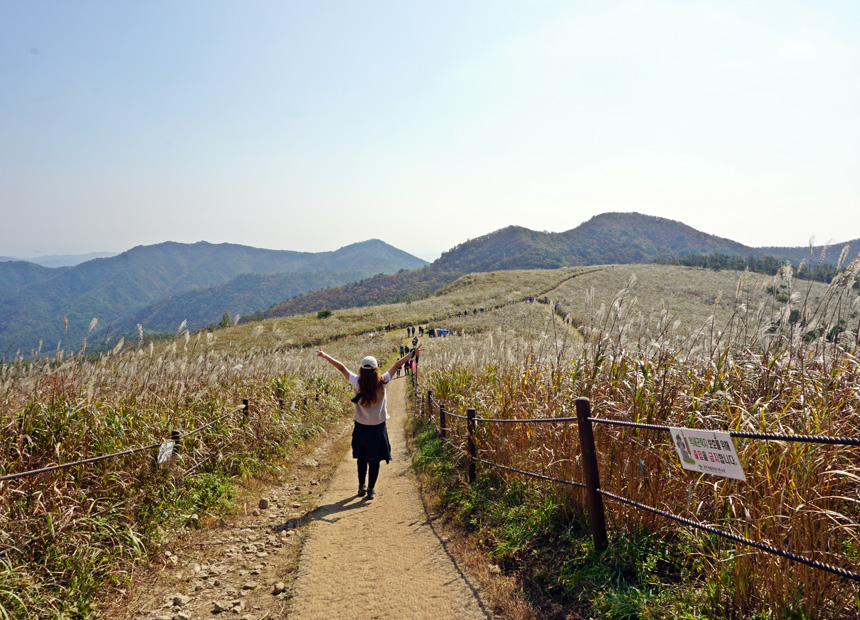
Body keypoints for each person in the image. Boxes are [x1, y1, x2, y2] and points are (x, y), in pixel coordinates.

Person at [317, 346, 422, 499]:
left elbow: (342, 368)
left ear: (361, 369)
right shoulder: (382, 382)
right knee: (375, 460)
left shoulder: (357, 381)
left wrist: (325, 355)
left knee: (362, 458)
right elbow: (397, 365)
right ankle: (371, 489)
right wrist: (412, 354)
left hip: (361, 427)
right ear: (375, 370)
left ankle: (361, 486)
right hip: (378, 428)